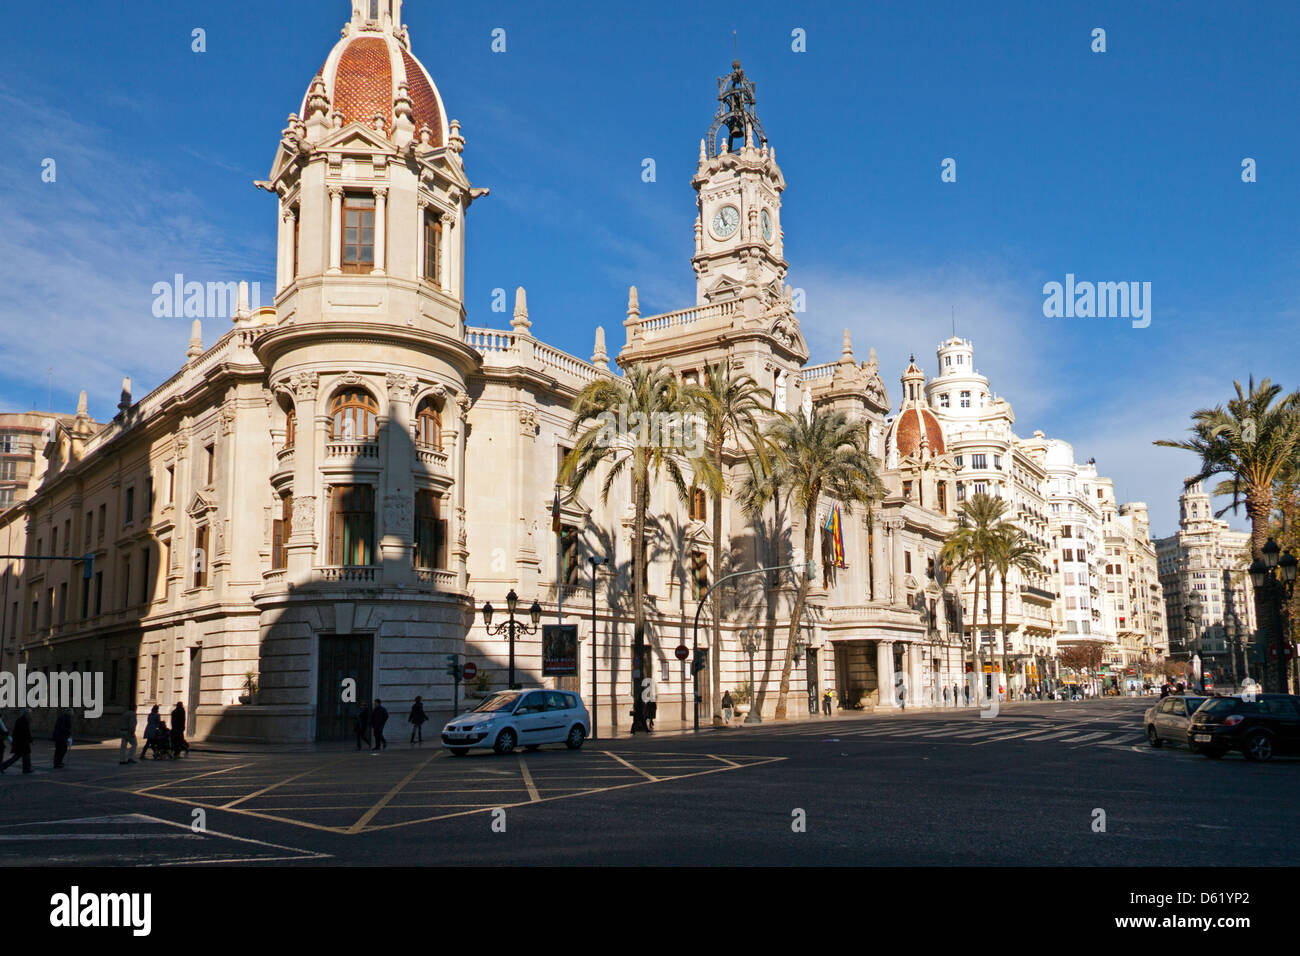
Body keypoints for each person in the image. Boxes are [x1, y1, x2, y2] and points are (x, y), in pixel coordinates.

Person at [1, 709, 32, 774]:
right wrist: (29, 740)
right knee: (17, 757)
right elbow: (24, 732)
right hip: (21, 743)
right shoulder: (21, 721)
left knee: (25, 756)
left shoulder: (24, 720)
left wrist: (30, 740)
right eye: (29, 714)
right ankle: (3, 766)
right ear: (26, 714)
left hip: (22, 743)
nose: (30, 716)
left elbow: (26, 732)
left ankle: (26, 769)